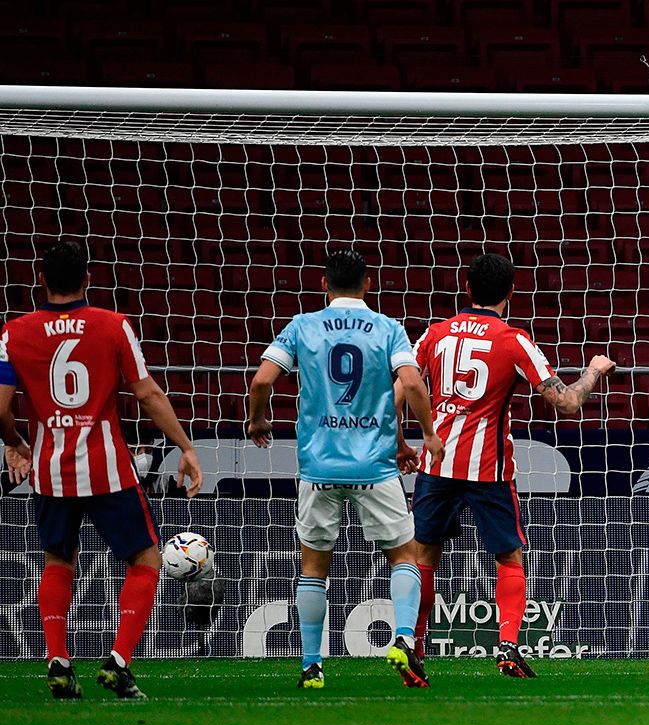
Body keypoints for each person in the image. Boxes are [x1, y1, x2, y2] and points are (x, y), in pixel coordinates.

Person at [0, 240, 203, 699]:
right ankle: (118, 661)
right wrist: (185, 447)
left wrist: (15, 443)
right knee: (146, 561)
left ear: (41, 279)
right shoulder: (113, 326)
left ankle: (58, 660)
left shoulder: (14, 334)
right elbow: (147, 394)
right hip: (107, 468)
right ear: (88, 279)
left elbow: (0, 407)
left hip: (50, 471)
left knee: (57, 563)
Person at [246, 250, 445, 690]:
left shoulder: (303, 325)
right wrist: (427, 434)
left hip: (318, 466)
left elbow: (261, 380)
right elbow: (411, 383)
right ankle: (404, 639)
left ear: (324, 284)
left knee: (314, 566)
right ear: (368, 284)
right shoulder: (387, 328)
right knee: (404, 555)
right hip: (374, 466)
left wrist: (258, 419)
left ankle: (311, 666)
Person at [411, 253, 615, 678]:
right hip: (488, 470)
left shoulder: (435, 335)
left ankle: (415, 647)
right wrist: (594, 371)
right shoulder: (512, 340)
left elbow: (404, 384)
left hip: (437, 464)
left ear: (466, 288)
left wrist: (399, 441)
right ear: (511, 292)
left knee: (423, 557)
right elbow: (568, 403)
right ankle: (507, 646)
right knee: (510, 557)